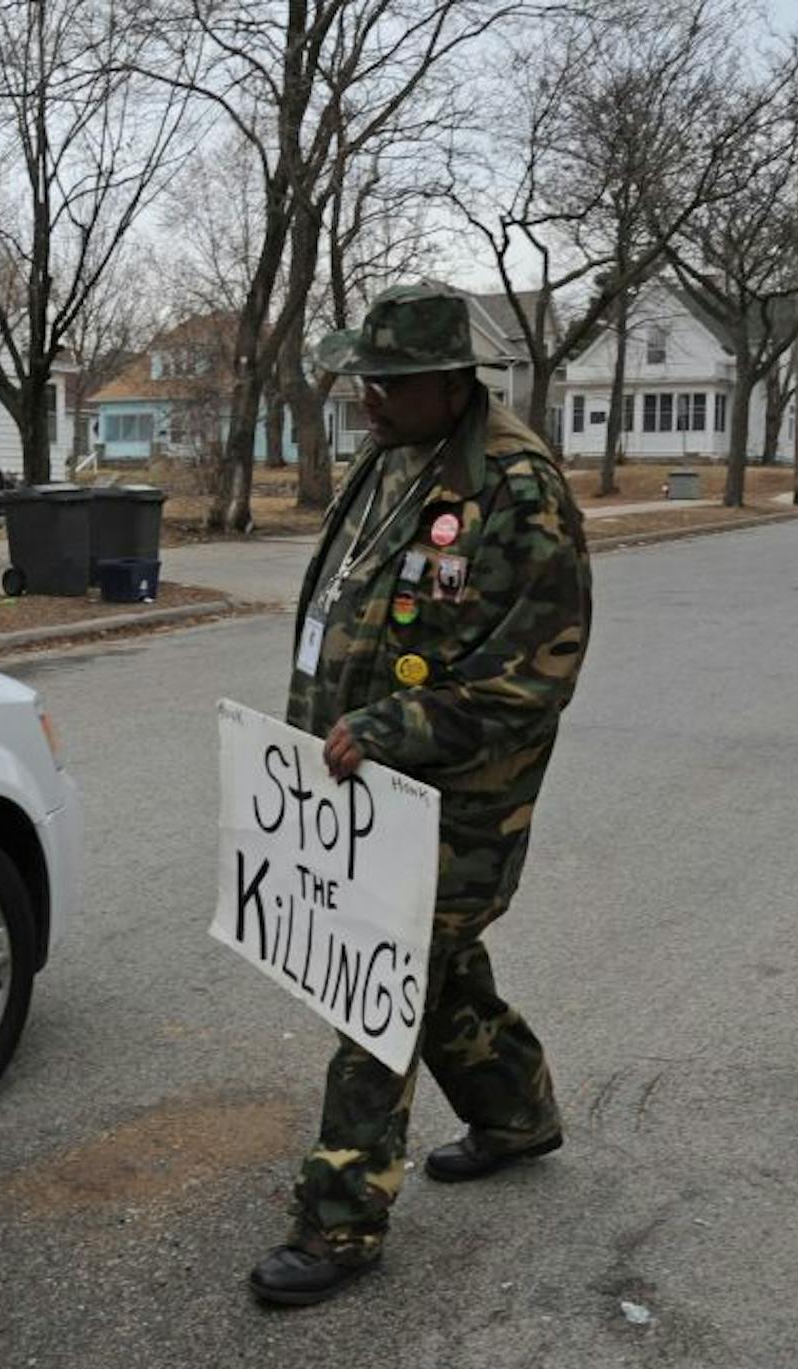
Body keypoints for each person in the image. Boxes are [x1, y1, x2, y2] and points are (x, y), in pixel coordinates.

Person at [249, 285, 592, 1307]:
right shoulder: (392, 457)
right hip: (366, 778)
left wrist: (394, 726)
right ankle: (518, 1112)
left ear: (453, 384)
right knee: (439, 971)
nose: (367, 399)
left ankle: (341, 1219)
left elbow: (537, 669)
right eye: (365, 378)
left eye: (389, 384)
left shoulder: (520, 488)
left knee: (379, 978)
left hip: (463, 793)